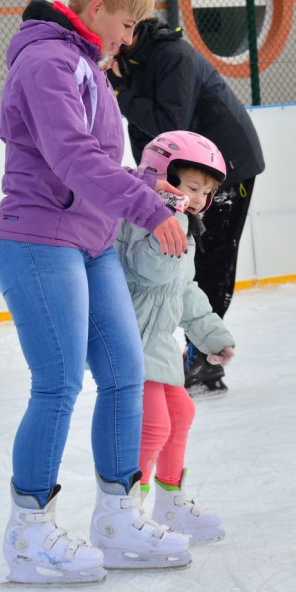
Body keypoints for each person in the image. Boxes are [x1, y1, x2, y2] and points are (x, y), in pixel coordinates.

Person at [0, 0, 192, 585]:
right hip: (38, 238)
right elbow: (72, 158)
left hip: (92, 239)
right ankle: (28, 532)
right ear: (98, 10)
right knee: (57, 384)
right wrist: (146, 209)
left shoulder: (88, 66)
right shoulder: (49, 62)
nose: (130, 40)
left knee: (125, 371)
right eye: (127, 25)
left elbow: (100, 163)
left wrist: (148, 187)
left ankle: (116, 515)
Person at [108, 17, 265, 397]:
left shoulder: (171, 56)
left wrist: (121, 90)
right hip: (186, 179)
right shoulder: (140, 62)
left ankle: (202, 358)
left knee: (209, 261)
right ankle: (188, 350)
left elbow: (169, 123)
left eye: (118, 38)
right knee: (185, 261)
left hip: (225, 172)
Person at [115, 130, 234, 543]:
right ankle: (132, 509)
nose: (200, 198)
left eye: (207, 191)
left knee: (180, 414)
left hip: (161, 340)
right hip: (133, 337)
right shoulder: (136, 219)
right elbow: (151, 272)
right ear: (160, 176)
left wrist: (211, 336)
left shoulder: (181, 224)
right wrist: (169, 217)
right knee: (153, 426)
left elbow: (184, 290)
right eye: (191, 187)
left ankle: (169, 500)